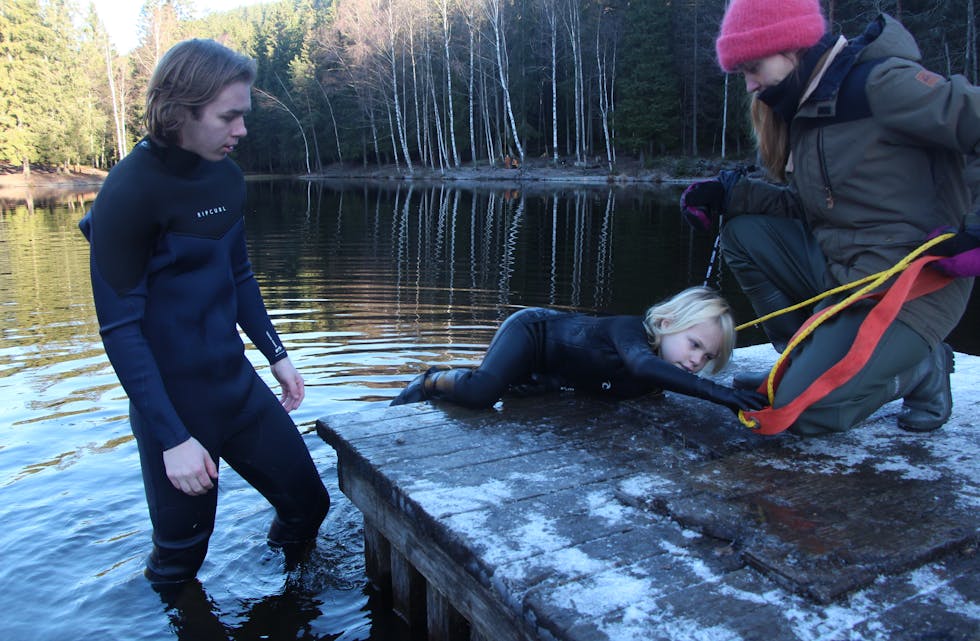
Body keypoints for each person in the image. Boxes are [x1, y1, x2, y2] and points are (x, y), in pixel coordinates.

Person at [79, 39, 329, 585]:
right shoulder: (128, 193)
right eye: (230, 116)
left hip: (235, 387)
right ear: (181, 111)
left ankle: (287, 599)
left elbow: (237, 275)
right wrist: (172, 440)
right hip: (173, 406)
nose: (241, 130)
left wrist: (278, 357)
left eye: (243, 115)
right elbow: (119, 328)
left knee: (309, 506)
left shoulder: (226, 179)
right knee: (180, 560)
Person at [679, 0, 980, 436]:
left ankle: (918, 370)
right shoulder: (808, 110)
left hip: (911, 287)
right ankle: (800, 363)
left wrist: (974, 229)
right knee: (743, 234)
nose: (749, 85)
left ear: (792, 50)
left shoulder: (882, 85)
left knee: (794, 415)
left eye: (752, 67)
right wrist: (728, 195)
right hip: (846, 275)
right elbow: (812, 208)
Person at [390, 286, 767, 415]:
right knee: (481, 393)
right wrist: (722, 395)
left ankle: (533, 379)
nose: (696, 361)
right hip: (532, 333)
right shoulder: (631, 332)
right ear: (667, 324)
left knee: (531, 398)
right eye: (695, 344)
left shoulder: (660, 375)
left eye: (707, 358)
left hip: (552, 370)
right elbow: (639, 364)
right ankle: (430, 380)